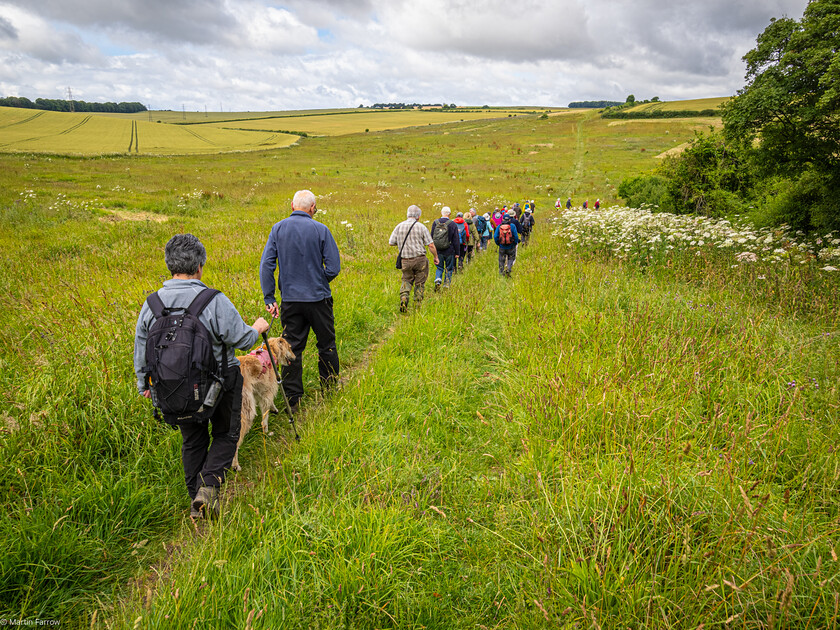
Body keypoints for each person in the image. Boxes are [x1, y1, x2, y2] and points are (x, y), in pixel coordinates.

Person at [134, 233, 270, 519]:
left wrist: (142, 382)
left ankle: (195, 495)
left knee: (192, 439)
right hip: (220, 383)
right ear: (200, 266)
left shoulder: (152, 304)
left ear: (170, 265)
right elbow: (242, 340)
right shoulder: (213, 300)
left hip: (172, 388)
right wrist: (257, 327)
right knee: (226, 434)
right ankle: (207, 488)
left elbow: (141, 346)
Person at [260, 189, 341, 414]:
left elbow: (267, 264)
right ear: (313, 208)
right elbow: (334, 267)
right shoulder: (321, 229)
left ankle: (293, 399)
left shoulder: (278, 229)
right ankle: (330, 387)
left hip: (290, 301)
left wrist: (269, 297)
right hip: (318, 299)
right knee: (326, 344)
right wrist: (319, 280)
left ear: (292, 206)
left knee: (291, 347)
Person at [388, 204, 438, 312]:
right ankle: (417, 304)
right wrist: (435, 257)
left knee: (406, 279)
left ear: (407, 214)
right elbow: (430, 245)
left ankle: (404, 297)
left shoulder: (399, 226)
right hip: (420, 260)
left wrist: (402, 243)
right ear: (418, 216)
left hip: (405, 260)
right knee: (420, 282)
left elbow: (391, 242)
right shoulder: (421, 227)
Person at [431, 206, 459, 289]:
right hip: (449, 250)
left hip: (438, 250)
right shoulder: (452, 224)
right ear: (449, 214)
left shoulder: (435, 223)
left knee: (439, 267)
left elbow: (432, 236)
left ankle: (438, 279)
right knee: (449, 268)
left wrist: (433, 249)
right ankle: (446, 284)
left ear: (441, 213)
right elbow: (456, 239)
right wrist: (457, 253)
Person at [494, 211, 520, 276]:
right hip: (511, 247)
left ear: (502, 219)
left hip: (502, 247)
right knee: (511, 258)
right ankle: (508, 268)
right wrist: (514, 243)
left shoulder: (499, 226)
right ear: (509, 219)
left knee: (501, 260)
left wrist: (498, 243)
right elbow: (516, 236)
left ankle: (501, 273)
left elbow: (495, 236)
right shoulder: (512, 226)